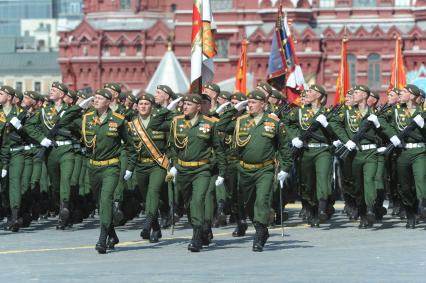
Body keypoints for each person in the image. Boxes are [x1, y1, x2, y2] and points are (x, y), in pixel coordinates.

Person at [217, 90, 291, 251]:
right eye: (248, 102)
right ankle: (261, 227)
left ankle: (259, 232)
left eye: (253, 102)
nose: (250, 105)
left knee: (262, 200)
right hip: (244, 170)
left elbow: (284, 147)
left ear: (263, 104)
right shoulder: (240, 121)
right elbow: (220, 125)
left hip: (265, 169)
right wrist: (235, 108)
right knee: (248, 203)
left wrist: (286, 168)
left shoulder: (274, 122)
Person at [168, 93, 224, 252]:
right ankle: (201, 230)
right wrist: (173, 164)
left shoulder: (209, 124)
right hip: (183, 169)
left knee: (198, 200)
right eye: (184, 104)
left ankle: (196, 237)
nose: (184, 107)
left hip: (202, 170)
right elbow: (171, 146)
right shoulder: (176, 122)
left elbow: (218, 149)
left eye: (189, 104)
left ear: (198, 107)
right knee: (188, 204)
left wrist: (221, 172)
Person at [378, 84, 426, 228]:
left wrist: (423, 124)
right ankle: (410, 213)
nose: (400, 94)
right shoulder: (395, 110)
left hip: (419, 152)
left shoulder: (421, 112)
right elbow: (380, 119)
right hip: (401, 152)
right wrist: (392, 135)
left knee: (420, 180)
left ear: (412, 96)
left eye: (404, 92)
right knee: (405, 187)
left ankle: (422, 206)